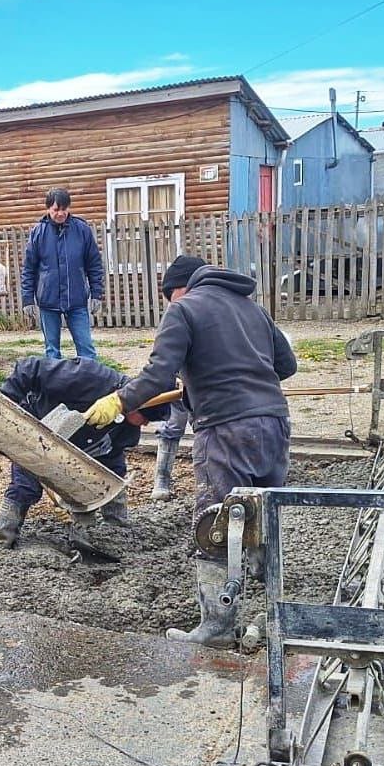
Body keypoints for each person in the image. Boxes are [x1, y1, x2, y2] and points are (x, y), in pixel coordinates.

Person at [84, 260, 297, 647]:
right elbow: (287, 365)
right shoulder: (253, 309)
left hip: (226, 429)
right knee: (264, 519)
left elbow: (158, 374)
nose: (169, 304)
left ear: (179, 289)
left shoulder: (184, 308)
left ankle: (216, 628)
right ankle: (272, 617)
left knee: (216, 524)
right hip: (274, 423)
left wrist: (118, 400)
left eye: (169, 297)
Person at [0, 356, 170, 549]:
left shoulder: (124, 427)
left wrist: (117, 523)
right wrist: (5, 408)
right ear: (135, 404)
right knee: (26, 486)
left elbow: (112, 465)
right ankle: (2, 539)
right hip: (40, 427)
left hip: (80, 444)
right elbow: (29, 368)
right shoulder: (89, 378)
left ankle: (97, 532)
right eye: (145, 418)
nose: (145, 424)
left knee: (97, 477)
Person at [21, 188, 104, 360]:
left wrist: (97, 293)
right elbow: (29, 269)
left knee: (86, 349)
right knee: (52, 351)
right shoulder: (38, 233)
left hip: (77, 299)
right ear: (48, 209)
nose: (61, 213)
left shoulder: (82, 230)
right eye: (56, 209)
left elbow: (94, 264)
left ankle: (91, 383)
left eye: (64, 209)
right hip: (48, 299)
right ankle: (55, 385)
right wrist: (27, 299)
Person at [150, 255, 205, 501]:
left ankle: (206, 482)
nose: (173, 303)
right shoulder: (178, 314)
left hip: (205, 387)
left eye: (174, 294)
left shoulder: (211, 310)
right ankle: (162, 477)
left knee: (203, 427)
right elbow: (163, 359)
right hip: (181, 382)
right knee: (172, 426)